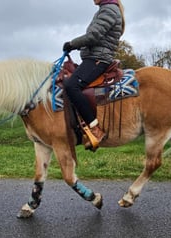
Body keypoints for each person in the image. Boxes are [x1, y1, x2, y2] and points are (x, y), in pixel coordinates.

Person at [63, 0, 125, 149]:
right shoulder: (106, 9)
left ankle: (95, 129)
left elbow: (93, 36)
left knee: (72, 85)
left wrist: (72, 44)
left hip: (98, 59)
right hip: (95, 57)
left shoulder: (109, 9)